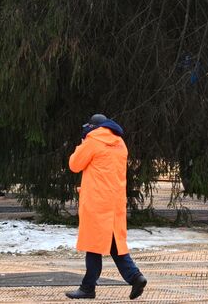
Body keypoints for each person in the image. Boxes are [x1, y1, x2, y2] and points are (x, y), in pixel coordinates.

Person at [66, 114, 147, 300]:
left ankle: (88, 288)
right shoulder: (120, 143)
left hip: (96, 202)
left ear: (93, 127)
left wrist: (82, 143)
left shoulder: (92, 141)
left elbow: (74, 165)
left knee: (93, 243)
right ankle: (135, 277)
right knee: (114, 244)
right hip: (114, 201)